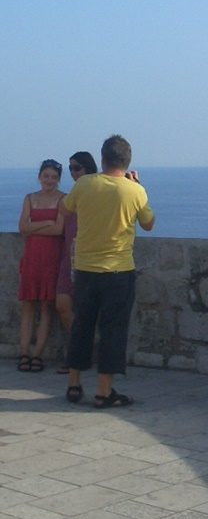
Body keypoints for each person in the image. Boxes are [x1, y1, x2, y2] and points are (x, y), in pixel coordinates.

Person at [59, 134, 155, 407]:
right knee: (113, 330)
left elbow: (65, 211)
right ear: (127, 162)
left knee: (81, 327)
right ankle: (104, 392)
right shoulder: (135, 190)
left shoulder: (85, 184)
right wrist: (136, 186)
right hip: (119, 271)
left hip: (86, 270)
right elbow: (149, 224)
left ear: (102, 159)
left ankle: (74, 385)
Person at [17, 159, 66, 372]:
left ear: (58, 179)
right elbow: (22, 227)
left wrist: (33, 227)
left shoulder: (63, 200)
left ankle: (37, 355)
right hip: (32, 259)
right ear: (40, 177)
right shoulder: (30, 198)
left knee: (46, 307)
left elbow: (59, 231)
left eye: (53, 177)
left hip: (51, 260)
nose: (49, 180)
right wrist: (46, 223)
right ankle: (24, 353)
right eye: (46, 176)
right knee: (28, 306)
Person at [54, 151, 99, 373]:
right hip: (68, 257)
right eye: (70, 168)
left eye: (77, 168)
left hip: (87, 257)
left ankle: (76, 359)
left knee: (83, 311)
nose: (72, 172)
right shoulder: (73, 194)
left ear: (88, 168)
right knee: (62, 305)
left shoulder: (95, 191)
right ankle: (79, 352)